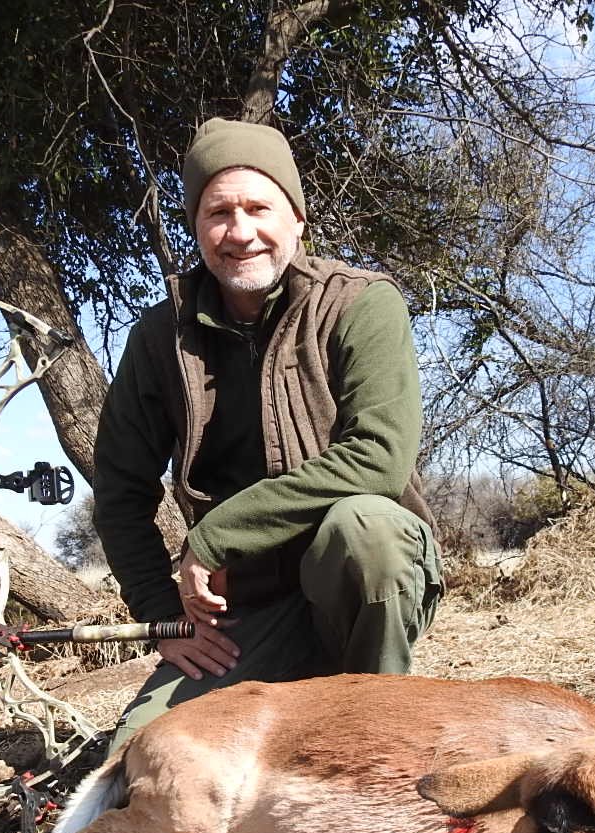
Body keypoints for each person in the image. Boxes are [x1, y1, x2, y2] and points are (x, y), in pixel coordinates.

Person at [91, 117, 443, 754]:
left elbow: (380, 459)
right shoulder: (157, 336)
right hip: (240, 614)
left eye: (260, 207)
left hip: (353, 589)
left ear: (297, 218)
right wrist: (160, 612)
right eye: (219, 212)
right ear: (197, 229)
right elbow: (119, 486)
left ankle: (381, 726)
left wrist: (216, 534)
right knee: (138, 764)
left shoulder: (363, 303)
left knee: (368, 529)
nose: (241, 231)